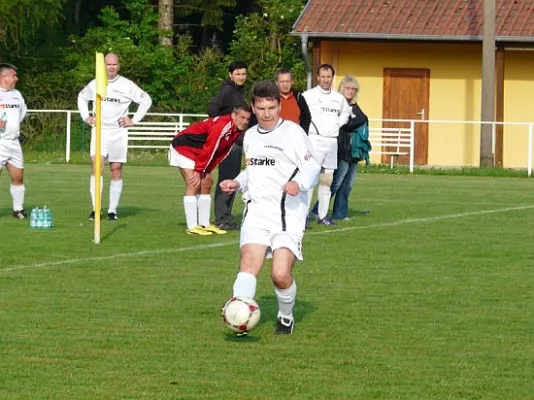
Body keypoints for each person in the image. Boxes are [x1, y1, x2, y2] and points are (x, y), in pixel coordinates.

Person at [219, 81, 320, 335]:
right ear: (253, 107)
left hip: (287, 215)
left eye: (272, 108)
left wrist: (299, 182)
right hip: (257, 212)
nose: (267, 114)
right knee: (248, 263)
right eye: (261, 108)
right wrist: (238, 182)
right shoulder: (251, 135)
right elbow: (253, 170)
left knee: (280, 274)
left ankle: (285, 316)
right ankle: (239, 315)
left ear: (278, 106)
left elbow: (312, 167)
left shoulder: (294, 133)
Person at [77, 53, 152, 221]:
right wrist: (86, 116)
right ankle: (96, 208)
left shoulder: (127, 85)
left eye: (114, 64)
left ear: (118, 66)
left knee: (116, 169)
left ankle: (112, 210)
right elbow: (82, 98)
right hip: (100, 131)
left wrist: (133, 120)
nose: (111, 67)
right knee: (97, 167)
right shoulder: (96, 83)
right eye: (108, 64)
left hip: (119, 132)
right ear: (102, 66)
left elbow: (146, 100)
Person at [169, 105, 252, 235]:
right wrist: (198, 171)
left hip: (198, 152)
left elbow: (221, 152)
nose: (245, 121)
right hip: (183, 147)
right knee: (193, 184)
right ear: (233, 115)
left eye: (248, 118)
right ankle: (192, 227)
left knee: (207, 182)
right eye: (242, 117)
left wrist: (207, 170)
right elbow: (210, 148)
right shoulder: (221, 126)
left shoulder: (237, 130)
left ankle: (204, 224)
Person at [310, 75, 369, 220]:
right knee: (336, 182)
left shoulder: (354, 106)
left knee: (347, 184)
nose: (350, 91)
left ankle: (340, 213)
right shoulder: (336, 103)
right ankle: (317, 211)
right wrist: (361, 119)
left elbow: (359, 119)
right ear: (342, 88)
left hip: (353, 151)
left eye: (353, 89)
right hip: (340, 149)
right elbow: (348, 124)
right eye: (348, 88)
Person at [303, 64, 351, 226]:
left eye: (328, 76)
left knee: (327, 181)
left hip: (331, 143)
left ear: (332, 78)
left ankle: (322, 216)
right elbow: (300, 114)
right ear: (317, 77)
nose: (325, 80)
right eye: (322, 76)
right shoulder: (308, 95)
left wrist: (338, 124)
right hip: (314, 140)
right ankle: (303, 216)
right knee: (309, 181)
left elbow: (346, 112)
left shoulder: (338, 98)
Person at [207, 61, 248, 231]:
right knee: (227, 180)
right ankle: (222, 218)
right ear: (231, 75)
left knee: (232, 180)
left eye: (243, 74)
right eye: (237, 74)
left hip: (237, 142)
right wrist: (224, 128)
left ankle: (226, 217)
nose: (241, 77)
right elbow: (212, 108)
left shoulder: (238, 92)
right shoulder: (227, 91)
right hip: (229, 144)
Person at [0, 63, 28, 219]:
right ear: (4, 77)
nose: (16, 79)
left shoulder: (17, 94)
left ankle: (18, 210)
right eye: (14, 76)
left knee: (18, 175)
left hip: (13, 142)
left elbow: (22, 112)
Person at [275, 68, 311, 133]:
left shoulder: (299, 97)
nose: (285, 85)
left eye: (287, 81)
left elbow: (306, 117)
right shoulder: (271, 98)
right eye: (282, 82)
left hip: (295, 137)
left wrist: (303, 133)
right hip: (276, 137)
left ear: (292, 82)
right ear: (277, 82)